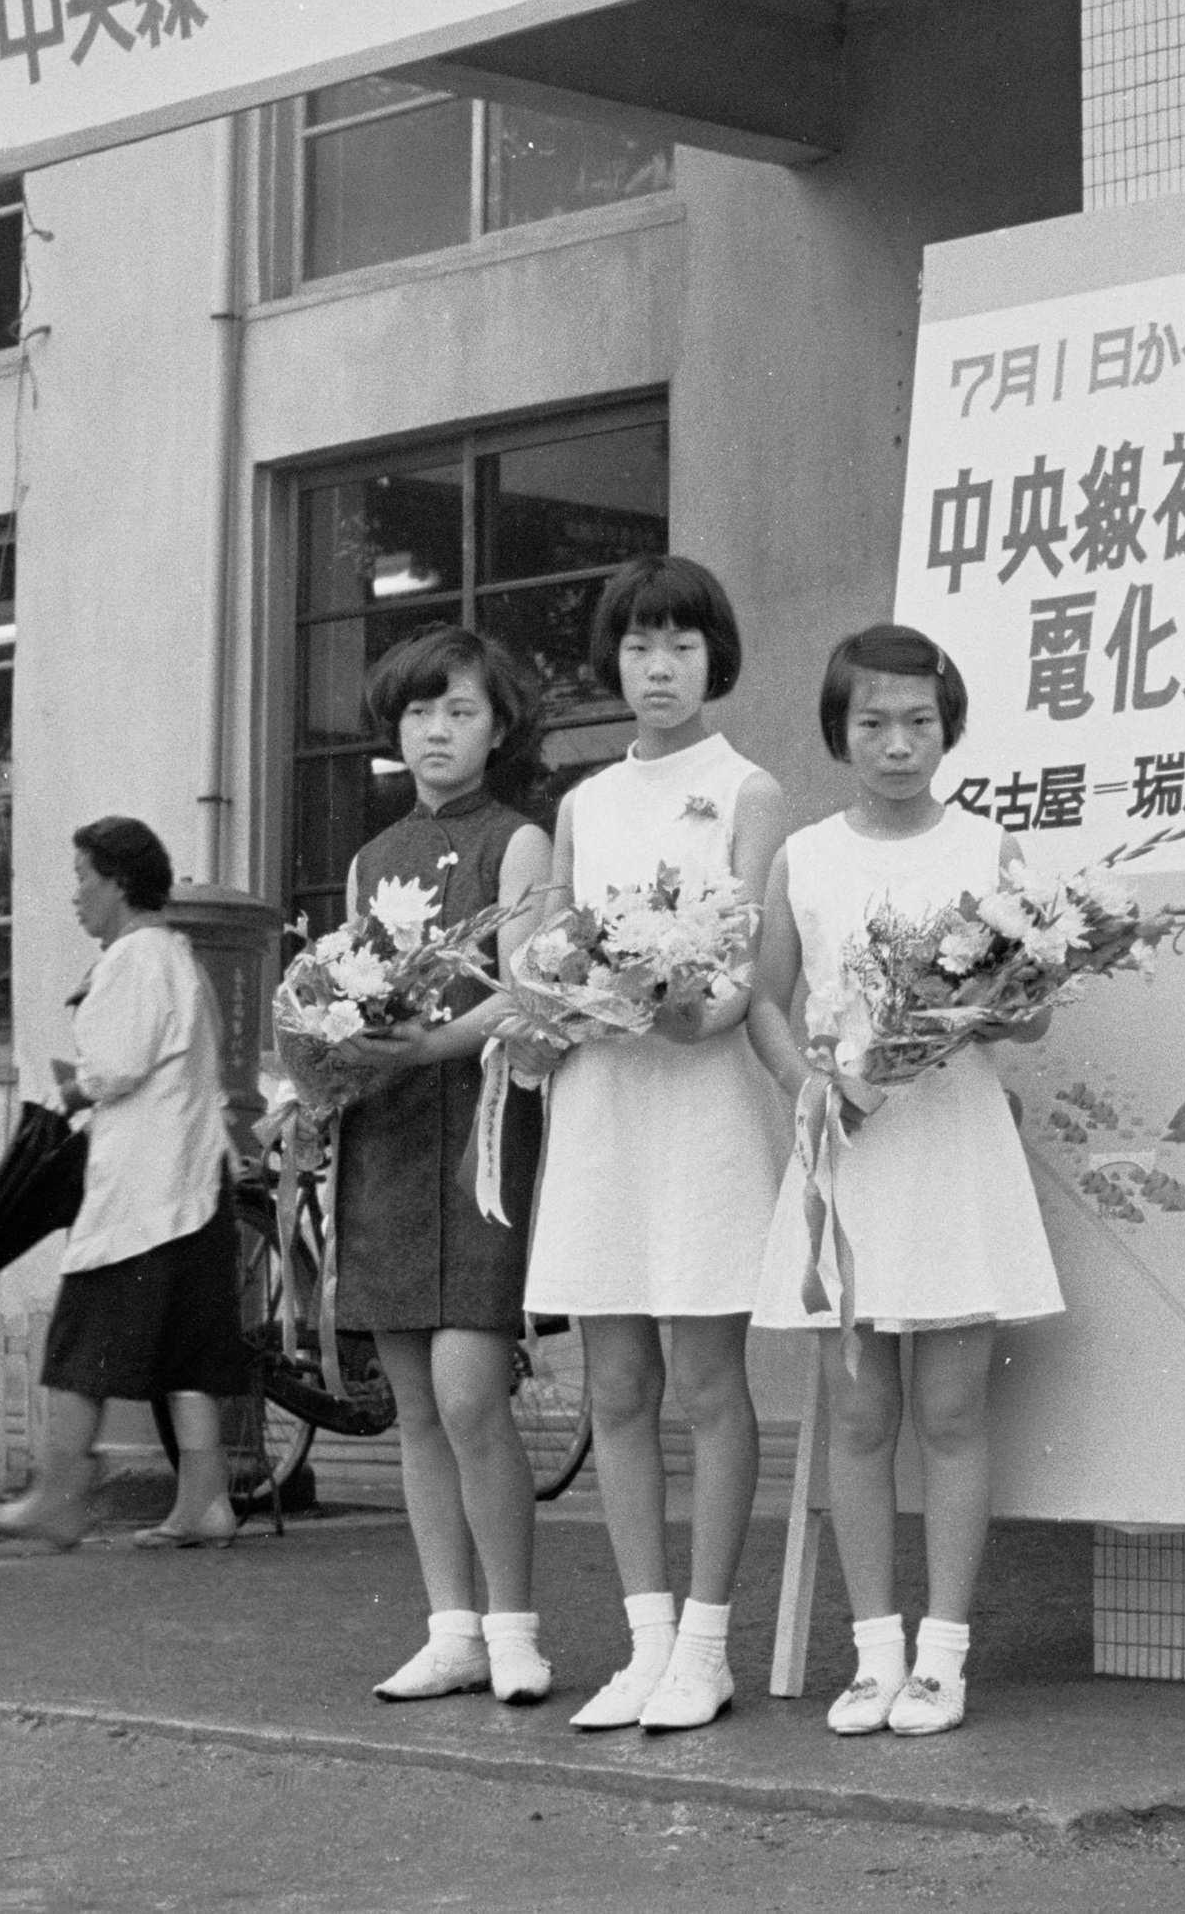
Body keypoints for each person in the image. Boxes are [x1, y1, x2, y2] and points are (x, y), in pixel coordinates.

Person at [747, 625, 1064, 1737]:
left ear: (947, 728)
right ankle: (873, 1652)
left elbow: (1031, 1010)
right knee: (858, 1408)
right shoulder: (804, 856)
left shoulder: (990, 850)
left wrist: (1000, 1007)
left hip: (953, 1150)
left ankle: (944, 1657)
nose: (896, 743)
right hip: (848, 1154)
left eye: (918, 722)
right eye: (872, 722)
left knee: (951, 1408)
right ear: (838, 732)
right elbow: (765, 999)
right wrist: (811, 1087)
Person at [522, 555, 789, 1733]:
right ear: (613, 661)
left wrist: (690, 1008)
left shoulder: (748, 791)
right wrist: (557, 993)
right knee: (617, 1385)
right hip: (602, 1108)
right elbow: (548, 947)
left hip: (701, 1104)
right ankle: (644, 1643)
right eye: (637, 645)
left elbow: (747, 967)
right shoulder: (580, 804)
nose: (659, 667)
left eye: (680, 644)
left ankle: (707, 1647)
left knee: (706, 1383)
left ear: (712, 655)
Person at [331, 626, 556, 1708]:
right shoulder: (370, 857)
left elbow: (528, 991)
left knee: (471, 1395)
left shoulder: (518, 842)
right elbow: (341, 990)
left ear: (498, 727)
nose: (436, 731)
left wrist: (426, 1045)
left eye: (460, 711)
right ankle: (450, 1628)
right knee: (415, 1403)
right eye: (420, 711)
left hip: (482, 1132)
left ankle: (514, 1629)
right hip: (384, 1134)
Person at [0, 816, 245, 1551]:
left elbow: (117, 1065)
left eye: (82, 877)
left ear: (118, 882)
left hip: (141, 1196)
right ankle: (205, 1501)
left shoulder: (132, 958)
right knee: (188, 1354)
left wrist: (68, 1090)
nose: (76, 895)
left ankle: (57, 1500)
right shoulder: (178, 956)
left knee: (77, 1344)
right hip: (196, 1182)